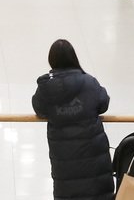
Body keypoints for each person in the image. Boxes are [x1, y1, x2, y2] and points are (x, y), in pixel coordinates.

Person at [31, 39, 113, 200]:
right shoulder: (89, 82)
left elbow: (39, 109)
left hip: (64, 162)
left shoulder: (47, 88)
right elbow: (104, 103)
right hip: (93, 159)